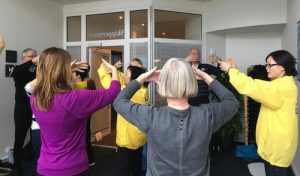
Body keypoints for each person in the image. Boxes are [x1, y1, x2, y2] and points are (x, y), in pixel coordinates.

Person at [113, 58, 239, 175]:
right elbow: (232, 102)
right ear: (191, 82)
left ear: (162, 84)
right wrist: (206, 77)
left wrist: (140, 79)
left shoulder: (151, 117)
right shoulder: (207, 116)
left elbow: (118, 102)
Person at [28, 47, 120, 176]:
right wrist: (114, 70)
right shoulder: (75, 98)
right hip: (72, 168)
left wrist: (62, 70)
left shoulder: (35, 98)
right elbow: (113, 92)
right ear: (65, 69)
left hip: (45, 168)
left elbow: (34, 85)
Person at [218, 50, 298, 176]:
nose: (266, 68)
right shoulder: (282, 85)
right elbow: (257, 87)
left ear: (282, 67)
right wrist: (234, 70)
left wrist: (230, 70)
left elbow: (251, 86)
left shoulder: (280, 89)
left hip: (276, 150)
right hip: (276, 147)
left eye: (269, 65)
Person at [98, 65, 148, 176]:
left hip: (128, 141)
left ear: (134, 79)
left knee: (122, 170)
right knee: (137, 167)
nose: (124, 75)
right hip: (139, 139)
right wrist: (114, 70)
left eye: (126, 73)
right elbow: (123, 80)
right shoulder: (143, 91)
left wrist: (102, 70)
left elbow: (111, 86)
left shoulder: (131, 94)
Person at [11, 48, 38, 175]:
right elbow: (17, 74)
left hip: (37, 108)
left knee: (36, 137)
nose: (33, 57)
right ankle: (16, 166)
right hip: (22, 109)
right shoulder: (19, 69)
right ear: (24, 58)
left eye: (35, 55)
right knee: (19, 137)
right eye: (30, 56)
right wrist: (33, 61)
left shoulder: (39, 70)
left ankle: (35, 162)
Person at [74, 66, 96, 167]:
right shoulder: (82, 82)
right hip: (81, 113)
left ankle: (89, 158)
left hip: (84, 113)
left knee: (85, 135)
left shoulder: (88, 82)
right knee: (83, 135)